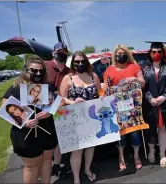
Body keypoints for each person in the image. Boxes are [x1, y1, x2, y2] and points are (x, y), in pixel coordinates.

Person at [1, 56, 58, 184]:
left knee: (47, 159)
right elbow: (5, 106)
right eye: (34, 70)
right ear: (26, 70)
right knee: (32, 166)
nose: (38, 73)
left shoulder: (47, 87)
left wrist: (49, 112)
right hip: (26, 134)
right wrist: (24, 122)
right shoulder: (16, 88)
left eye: (41, 71)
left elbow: (59, 103)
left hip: (47, 130)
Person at [60, 51, 101, 183]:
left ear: (87, 62)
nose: (80, 64)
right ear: (73, 63)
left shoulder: (93, 76)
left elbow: (100, 94)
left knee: (90, 146)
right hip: (74, 118)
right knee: (77, 151)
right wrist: (73, 102)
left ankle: (87, 169)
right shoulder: (68, 78)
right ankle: (76, 178)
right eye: (76, 62)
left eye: (82, 61)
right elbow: (62, 100)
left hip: (91, 116)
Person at [103, 44, 145, 171]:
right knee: (121, 135)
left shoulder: (134, 67)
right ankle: (121, 158)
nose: (120, 56)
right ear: (114, 56)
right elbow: (105, 89)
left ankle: (136, 156)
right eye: (118, 54)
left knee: (135, 134)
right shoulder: (109, 70)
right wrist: (108, 89)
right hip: (117, 108)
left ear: (127, 55)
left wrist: (134, 79)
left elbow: (143, 83)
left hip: (133, 107)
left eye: (123, 53)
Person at [142, 41, 166, 167]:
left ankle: (163, 153)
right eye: (154, 52)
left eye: (159, 52)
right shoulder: (145, 69)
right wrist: (150, 98)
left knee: (164, 129)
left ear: (163, 53)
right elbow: (143, 87)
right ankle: (152, 150)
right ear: (150, 53)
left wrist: (164, 97)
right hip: (150, 105)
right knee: (151, 129)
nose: (157, 54)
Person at [44, 42, 72, 176]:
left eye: (65, 52)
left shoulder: (69, 71)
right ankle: (44, 167)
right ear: (53, 53)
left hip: (62, 108)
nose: (62, 54)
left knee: (61, 138)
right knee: (47, 140)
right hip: (45, 109)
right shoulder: (44, 66)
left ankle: (56, 165)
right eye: (59, 51)